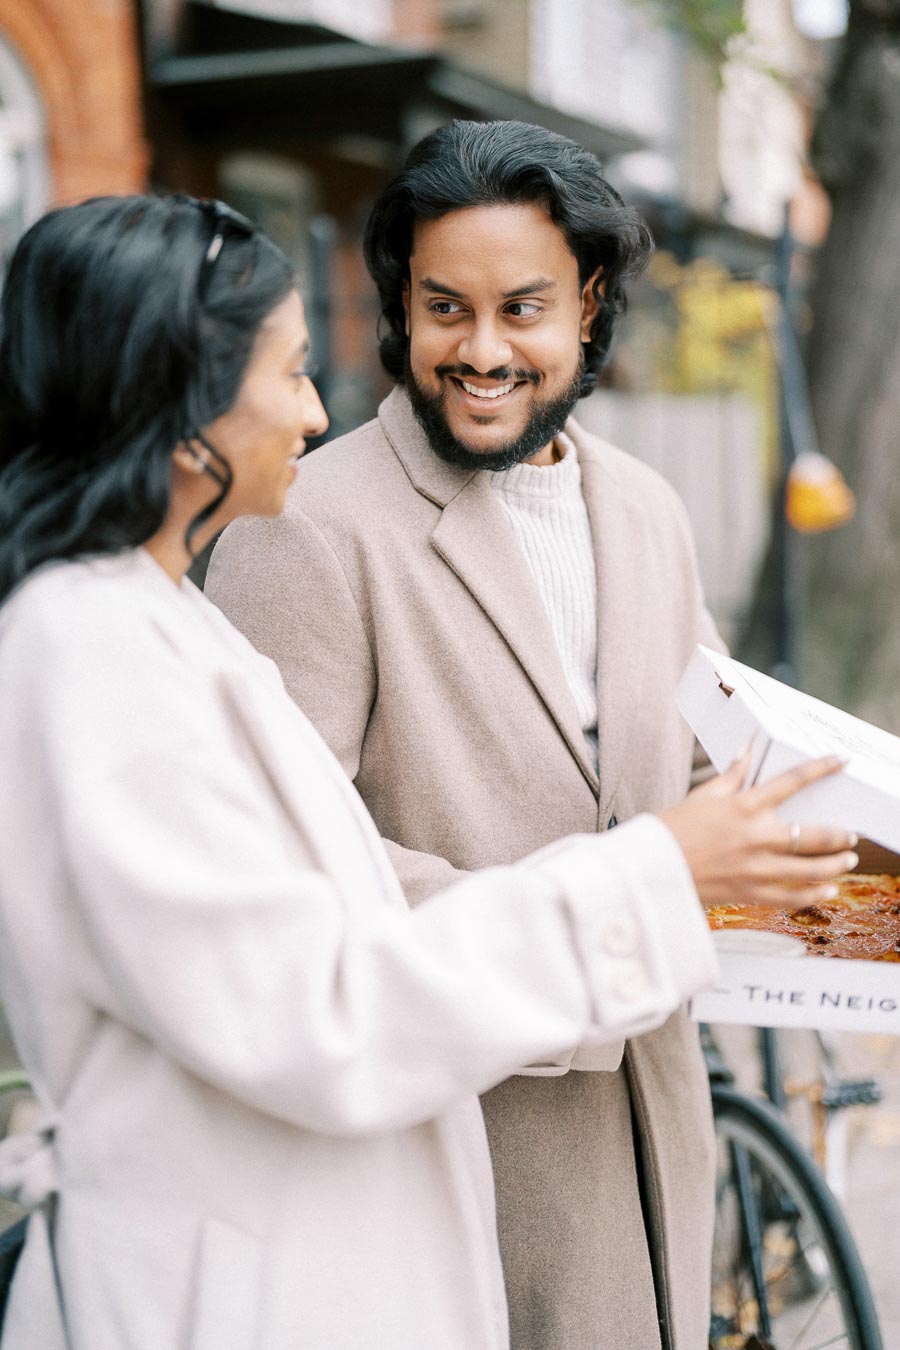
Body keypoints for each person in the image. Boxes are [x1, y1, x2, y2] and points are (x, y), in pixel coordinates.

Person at [0, 194, 854, 1350]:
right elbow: (323, 993)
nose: (314, 409)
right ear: (182, 398)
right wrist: (651, 880)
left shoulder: (150, 625)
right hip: (268, 1265)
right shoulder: (97, 649)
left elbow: (705, 761)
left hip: (607, 1166)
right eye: (294, 369)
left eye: (525, 308)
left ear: (589, 308)